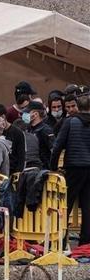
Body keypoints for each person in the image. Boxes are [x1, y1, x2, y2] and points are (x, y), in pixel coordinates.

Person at [51, 94, 90, 244]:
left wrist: (53, 166)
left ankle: (61, 238)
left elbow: (57, 146)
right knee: (87, 205)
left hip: (73, 166)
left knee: (65, 203)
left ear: (78, 107)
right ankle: (86, 242)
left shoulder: (71, 122)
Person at [0, 104, 26, 173]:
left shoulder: (17, 133)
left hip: (10, 174)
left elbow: (21, 158)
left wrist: (16, 177)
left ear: (3, 117)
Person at [25, 101, 55, 170]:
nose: (24, 115)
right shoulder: (29, 129)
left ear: (35, 114)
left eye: (27, 113)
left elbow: (53, 150)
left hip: (44, 169)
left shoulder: (45, 130)